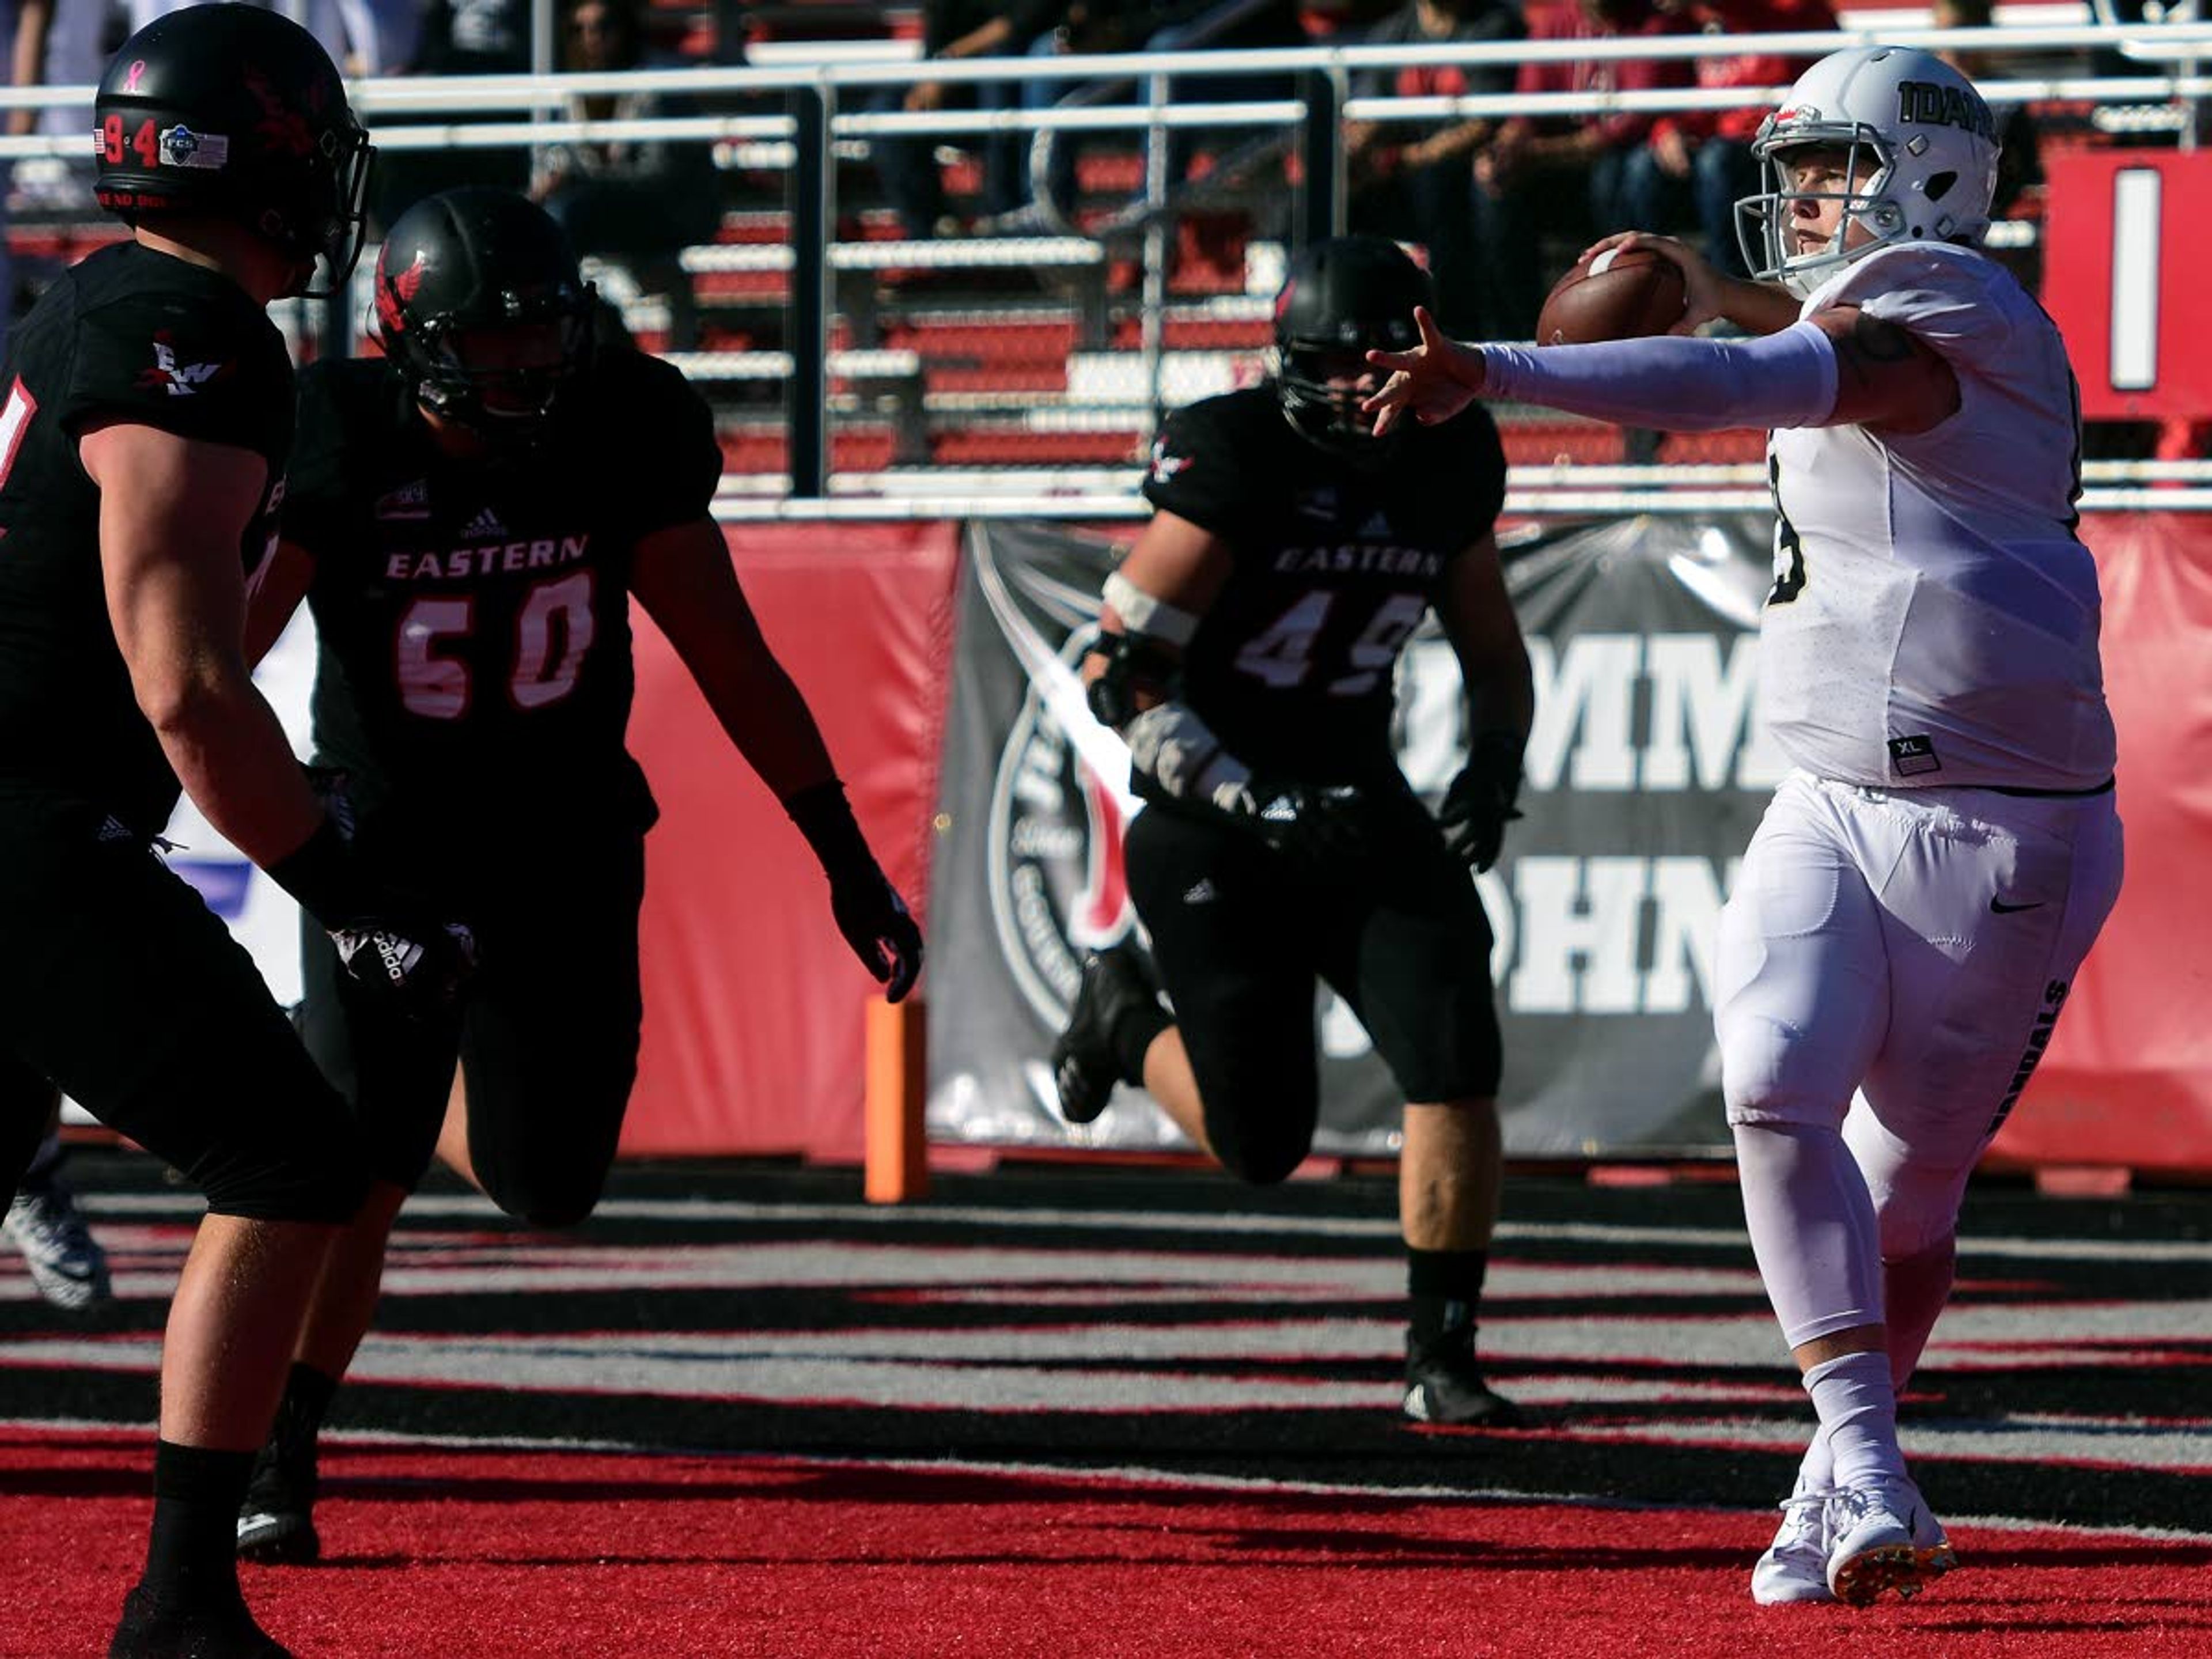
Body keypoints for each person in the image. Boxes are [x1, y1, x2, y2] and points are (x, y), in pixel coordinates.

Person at [1365, 44, 2124, 1606]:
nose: (1804, 203)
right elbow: (1783, 330)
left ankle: (1830, 1481)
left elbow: (1767, 377)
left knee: (1908, 1196)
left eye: (1831, 170)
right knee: (1773, 1089)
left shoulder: (1957, 301)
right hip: (1833, 788)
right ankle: (1867, 1464)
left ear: (1925, 178)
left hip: (2001, 828)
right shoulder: (1875, 298)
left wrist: (1499, 365)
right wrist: (1708, 276)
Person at [231, 186, 925, 1565]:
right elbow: (222, 652)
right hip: (392, 849)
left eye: (543, 335)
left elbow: (729, 651)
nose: (524, 368)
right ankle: (280, 1441)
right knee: (347, 1165)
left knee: (546, 1185)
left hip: (566, 841)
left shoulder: (621, 421)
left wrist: (843, 855)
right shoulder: (339, 435)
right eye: (490, 344)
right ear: (410, 335)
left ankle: (441, 1099)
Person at [0, 7, 476, 1656]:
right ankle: (182, 1602)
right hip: (27, 824)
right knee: (289, 1159)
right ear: (258, 157)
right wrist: (347, 890)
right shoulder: (185, 337)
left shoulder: (100, 298)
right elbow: (191, 687)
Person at [1048, 234, 1533, 1428]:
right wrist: (1246, 797)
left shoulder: (1454, 453)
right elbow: (1125, 679)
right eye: (1341, 365)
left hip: (1357, 792)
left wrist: (1495, 760)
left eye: (1387, 363)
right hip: (1216, 818)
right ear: (1291, 366)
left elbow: (1488, 639)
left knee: (1456, 1054)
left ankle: (1442, 1354)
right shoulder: (1236, 453)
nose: (1366, 389)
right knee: (1262, 1143)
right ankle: (1122, 1012)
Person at [1344, 0, 1525, 334]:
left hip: (1473, 166)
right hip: (1410, 170)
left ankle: (1464, 330)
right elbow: (1371, 112)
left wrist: (1407, 158)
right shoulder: (1392, 32)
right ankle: (1355, 322)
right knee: (1338, 185)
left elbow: (1484, 123)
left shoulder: (1493, 25)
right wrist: (1353, 151)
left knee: (1443, 185)